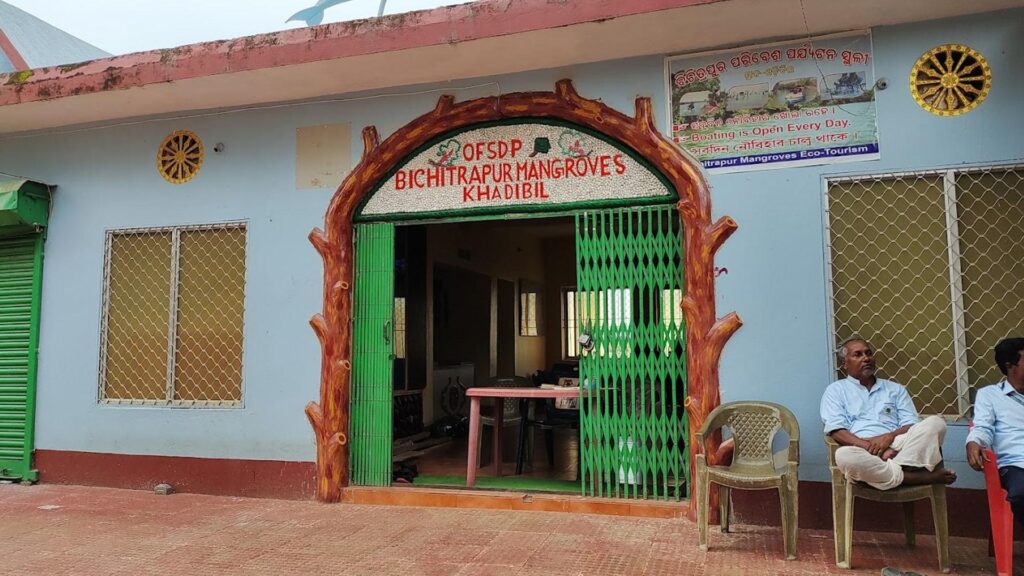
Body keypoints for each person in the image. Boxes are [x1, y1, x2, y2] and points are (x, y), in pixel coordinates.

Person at [821, 337, 956, 490]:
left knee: (936, 423)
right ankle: (910, 477)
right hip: (861, 446)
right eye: (858, 355)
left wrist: (889, 437)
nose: (866, 358)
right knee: (843, 456)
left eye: (869, 353)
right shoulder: (835, 391)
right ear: (844, 364)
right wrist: (872, 448)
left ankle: (892, 471)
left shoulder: (894, 389)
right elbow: (837, 431)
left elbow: (910, 424)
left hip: (898, 446)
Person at [965, 337, 1024, 526]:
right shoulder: (990, 395)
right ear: (1010, 365)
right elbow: (982, 426)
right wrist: (974, 443)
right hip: (1016, 464)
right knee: (1022, 493)